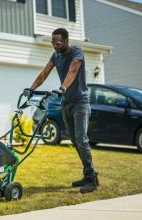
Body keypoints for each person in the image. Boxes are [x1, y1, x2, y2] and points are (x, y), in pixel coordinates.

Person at [25, 28, 98, 193]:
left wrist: (62, 87)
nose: (54, 46)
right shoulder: (55, 55)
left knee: (81, 139)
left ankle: (90, 180)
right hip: (66, 103)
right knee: (74, 141)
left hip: (80, 102)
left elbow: (73, 70)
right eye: (52, 42)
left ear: (66, 41)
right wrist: (32, 88)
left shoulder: (76, 52)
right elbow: (44, 72)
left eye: (57, 42)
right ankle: (90, 173)